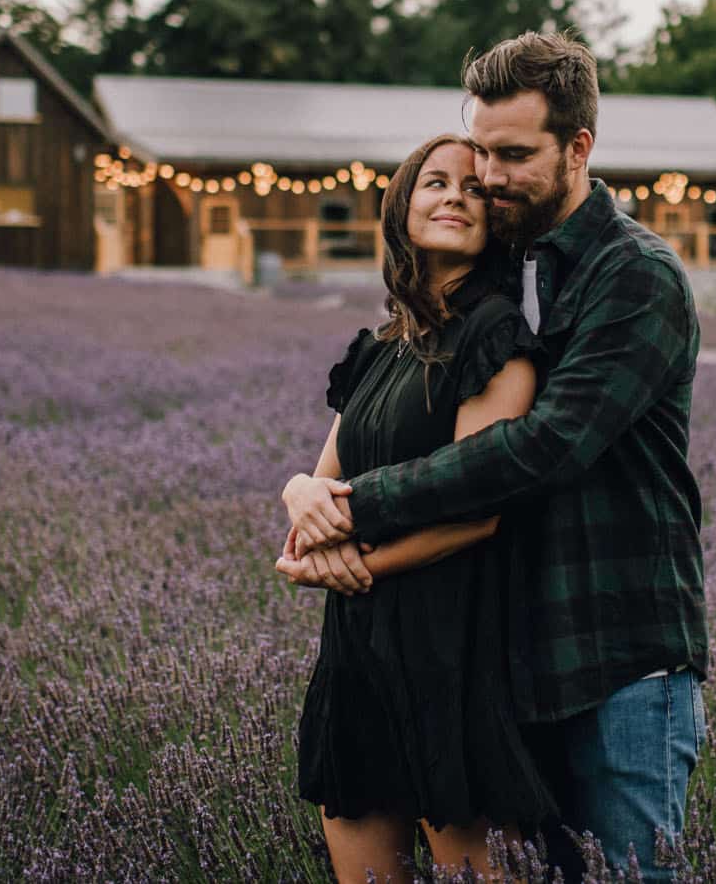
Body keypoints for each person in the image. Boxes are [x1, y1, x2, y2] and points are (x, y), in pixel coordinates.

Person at [285, 32, 708, 882]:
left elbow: (542, 449)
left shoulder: (636, 275)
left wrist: (353, 507)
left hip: (620, 651)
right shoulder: (508, 263)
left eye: (513, 155)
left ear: (578, 147)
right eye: (478, 149)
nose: (487, 174)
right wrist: (305, 486)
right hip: (516, 654)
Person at [277, 133, 557, 884]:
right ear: (402, 210)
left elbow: (479, 508)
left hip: (449, 647)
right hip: (358, 652)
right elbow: (323, 482)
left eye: (473, 189)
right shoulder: (380, 348)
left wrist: (348, 566)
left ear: (495, 223)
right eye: (435, 183)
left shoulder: (495, 333)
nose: (456, 196)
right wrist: (297, 493)